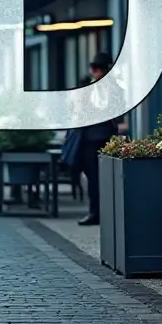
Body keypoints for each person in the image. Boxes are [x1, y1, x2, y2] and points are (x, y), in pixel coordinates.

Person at [71, 52, 120, 226]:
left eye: (94, 69)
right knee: (101, 177)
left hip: (93, 138)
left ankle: (96, 213)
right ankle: (103, 212)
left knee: (94, 178)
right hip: (105, 136)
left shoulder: (96, 89)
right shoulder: (114, 88)